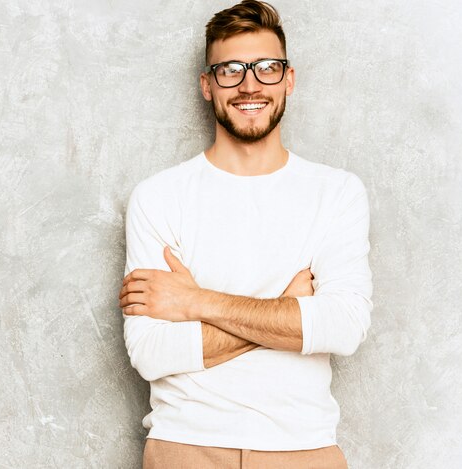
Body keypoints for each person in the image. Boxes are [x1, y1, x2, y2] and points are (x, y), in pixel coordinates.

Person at [117, 1, 373, 467]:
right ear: (207, 85)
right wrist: (287, 310)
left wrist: (196, 302)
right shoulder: (158, 197)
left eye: (267, 68)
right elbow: (152, 354)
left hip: (303, 449)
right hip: (184, 447)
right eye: (231, 69)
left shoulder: (337, 192)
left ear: (289, 80)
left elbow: (343, 326)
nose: (250, 84)